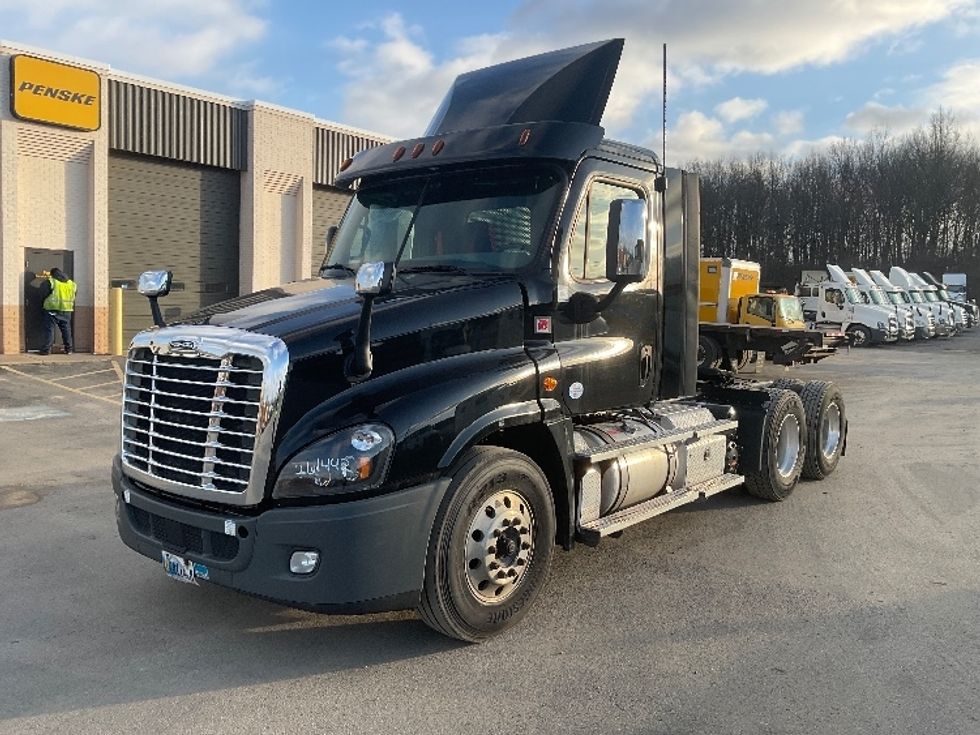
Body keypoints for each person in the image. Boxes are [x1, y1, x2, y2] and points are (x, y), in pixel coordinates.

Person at [38, 267, 77, 355]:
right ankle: (69, 349)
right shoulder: (71, 284)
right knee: (66, 330)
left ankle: (46, 349)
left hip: (52, 309)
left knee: (50, 330)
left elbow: (42, 294)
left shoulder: (51, 282)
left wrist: (42, 303)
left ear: (52, 274)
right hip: (67, 310)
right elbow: (74, 295)